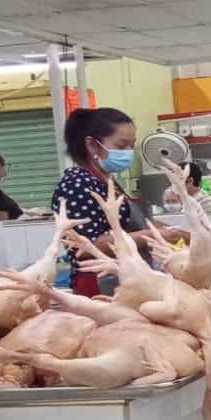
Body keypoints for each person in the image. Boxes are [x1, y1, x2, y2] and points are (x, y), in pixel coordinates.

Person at [52, 107, 144, 296]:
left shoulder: (106, 181)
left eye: (131, 146)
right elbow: (84, 246)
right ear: (93, 145)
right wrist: (152, 236)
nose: (128, 153)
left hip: (125, 277)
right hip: (100, 283)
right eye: (121, 146)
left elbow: (127, 224)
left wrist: (172, 232)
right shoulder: (76, 185)